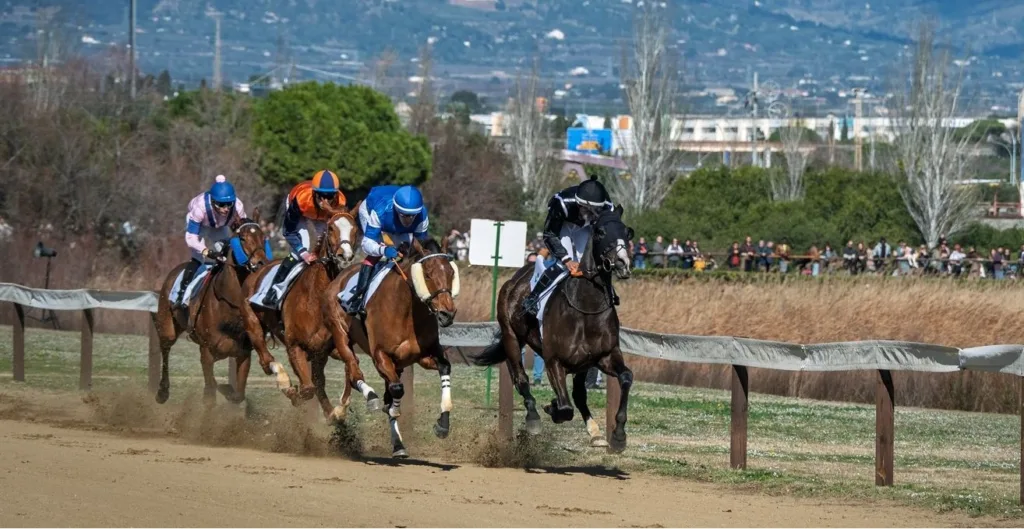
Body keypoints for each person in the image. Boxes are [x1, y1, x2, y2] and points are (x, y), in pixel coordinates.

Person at [522, 178, 615, 317]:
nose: (594, 213)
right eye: (590, 210)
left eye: (597, 210)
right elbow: (549, 235)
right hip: (564, 225)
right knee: (563, 265)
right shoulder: (561, 204)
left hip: (586, 228)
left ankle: (608, 300)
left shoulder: (608, 207)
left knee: (588, 265)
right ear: (580, 204)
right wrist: (566, 260)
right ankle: (532, 298)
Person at [260, 169, 347, 307]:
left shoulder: (340, 201)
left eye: (329, 196)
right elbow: (288, 231)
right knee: (305, 246)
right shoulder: (301, 200)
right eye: (321, 195)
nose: (325, 200)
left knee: (330, 247)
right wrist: (303, 253)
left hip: (323, 218)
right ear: (314, 192)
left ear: (335, 194)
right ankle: (274, 289)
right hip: (301, 212)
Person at [342, 184, 430, 315]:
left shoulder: (422, 216)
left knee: (407, 253)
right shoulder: (380, 212)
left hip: (393, 218)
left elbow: (421, 246)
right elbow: (367, 244)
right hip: (370, 209)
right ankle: (358, 298)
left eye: (412, 216)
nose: (409, 220)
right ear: (397, 210)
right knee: (377, 253)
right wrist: (383, 250)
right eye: (405, 215)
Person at [174, 175, 246, 309]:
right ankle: (181, 294)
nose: (226, 208)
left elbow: (244, 230)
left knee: (226, 253)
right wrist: (205, 251)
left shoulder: (238, 207)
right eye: (221, 204)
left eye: (229, 204)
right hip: (200, 226)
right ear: (212, 201)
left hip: (219, 226)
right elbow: (191, 239)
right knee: (198, 258)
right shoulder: (200, 208)